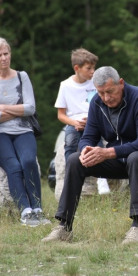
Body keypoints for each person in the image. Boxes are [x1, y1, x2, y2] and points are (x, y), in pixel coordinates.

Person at [42, 66, 138, 244]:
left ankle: (137, 227)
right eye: (101, 92)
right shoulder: (97, 102)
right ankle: (64, 226)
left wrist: (107, 152)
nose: (106, 98)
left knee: (136, 157)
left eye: (110, 91)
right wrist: (85, 151)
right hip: (120, 159)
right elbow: (88, 136)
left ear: (121, 84)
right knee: (74, 160)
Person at [0, 35, 50, 227]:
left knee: (28, 161)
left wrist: (3, 107)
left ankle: (38, 208)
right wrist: (18, 109)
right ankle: (25, 211)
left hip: (23, 129)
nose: (4, 58)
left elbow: (31, 109)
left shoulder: (22, 76)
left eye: (6, 53)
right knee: (14, 166)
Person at [54, 48, 110, 195]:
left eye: (94, 68)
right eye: (89, 68)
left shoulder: (95, 83)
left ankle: (102, 178)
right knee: (70, 142)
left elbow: (103, 105)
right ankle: (70, 177)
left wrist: (93, 119)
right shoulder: (65, 85)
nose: (93, 72)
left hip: (94, 120)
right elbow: (61, 115)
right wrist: (74, 123)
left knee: (96, 141)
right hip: (75, 123)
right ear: (77, 68)